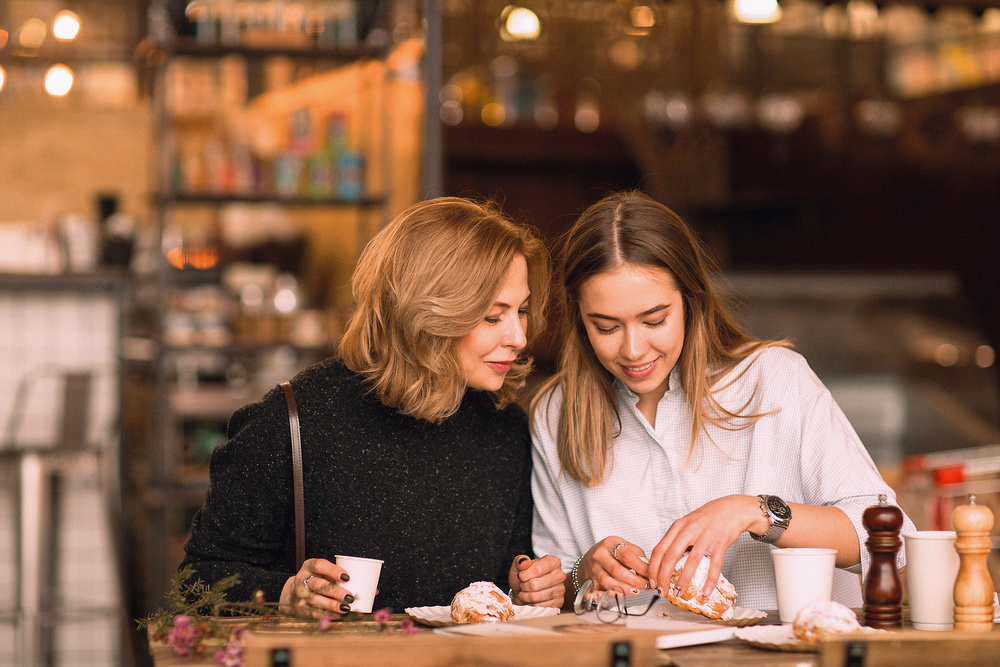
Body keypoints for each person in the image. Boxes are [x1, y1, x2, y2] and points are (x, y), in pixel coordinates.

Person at [181, 197, 566, 618]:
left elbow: (509, 577)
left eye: (522, 311)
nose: (519, 337)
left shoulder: (504, 429)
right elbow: (197, 583)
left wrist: (527, 586)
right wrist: (286, 593)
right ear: (426, 314)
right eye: (493, 317)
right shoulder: (294, 420)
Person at [530, 190, 914, 611]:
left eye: (654, 320)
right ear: (579, 321)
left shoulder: (774, 378)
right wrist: (583, 572)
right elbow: (556, 587)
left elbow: (892, 543)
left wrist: (755, 512)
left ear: (691, 301)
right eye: (606, 327)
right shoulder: (556, 413)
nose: (634, 349)